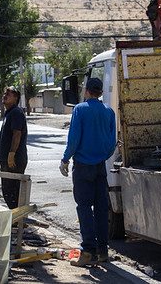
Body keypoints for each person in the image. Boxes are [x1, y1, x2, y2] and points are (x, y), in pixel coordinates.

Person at [59, 77, 116, 267]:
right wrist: (102, 156)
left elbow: (74, 139)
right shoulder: (108, 111)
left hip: (83, 165)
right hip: (100, 165)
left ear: (86, 91)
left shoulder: (80, 109)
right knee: (101, 207)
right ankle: (103, 251)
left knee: (84, 207)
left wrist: (65, 159)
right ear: (100, 93)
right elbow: (111, 143)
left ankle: (88, 251)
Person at [0, 86, 27, 209]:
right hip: (7, 159)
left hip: (14, 160)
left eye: (8, 94)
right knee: (8, 191)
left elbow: (17, 134)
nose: (5, 96)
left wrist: (11, 154)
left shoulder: (16, 112)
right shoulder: (9, 113)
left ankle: (18, 217)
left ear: (16, 98)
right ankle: (15, 216)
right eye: (5, 93)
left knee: (13, 192)